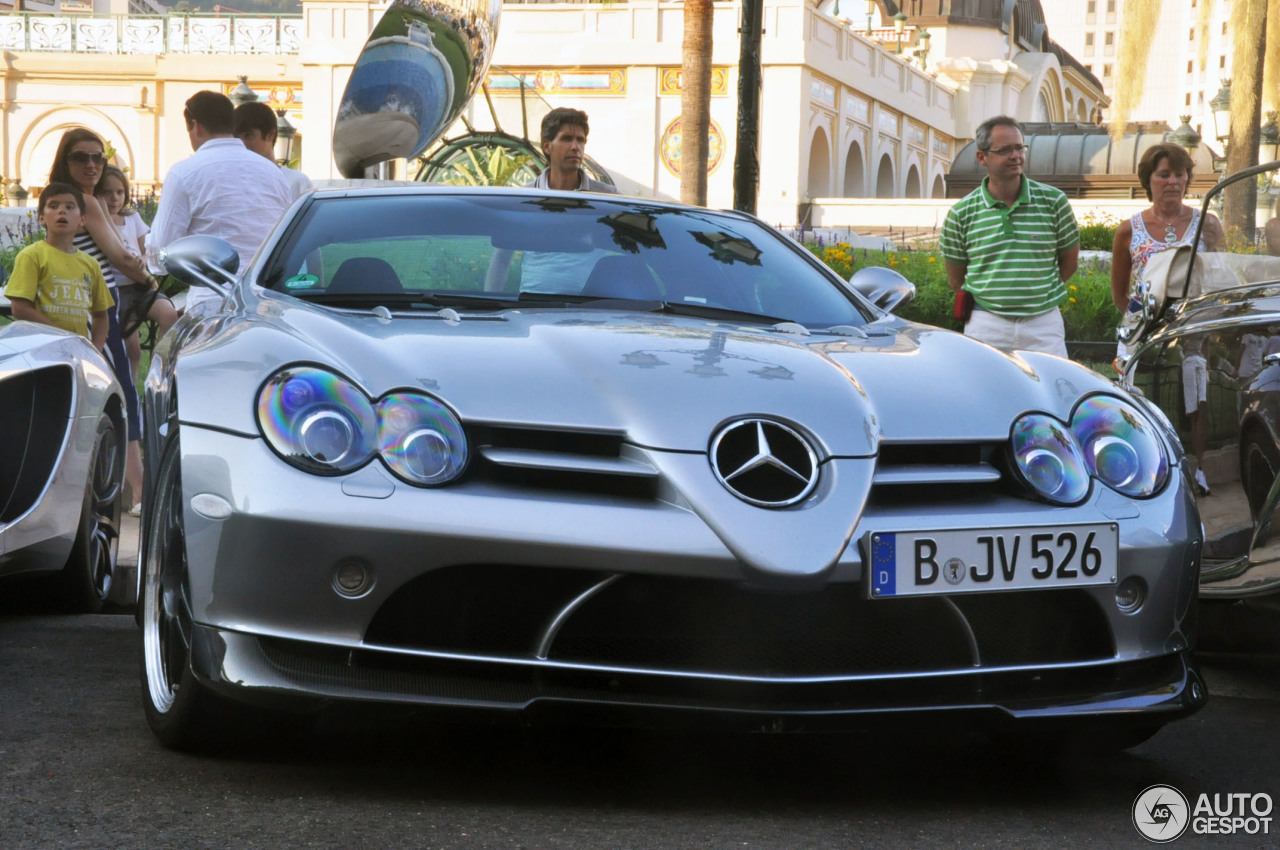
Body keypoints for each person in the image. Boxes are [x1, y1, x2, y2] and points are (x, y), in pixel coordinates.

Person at [49, 128, 158, 515]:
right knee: (123, 395)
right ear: (66, 160)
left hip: (63, 306)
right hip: (98, 305)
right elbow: (121, 257)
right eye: (82, 157)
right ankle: (141, 491)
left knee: (77, 398)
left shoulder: (61, 199)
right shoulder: (87, 203)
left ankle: (80, 492)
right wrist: (150, 281)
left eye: (98, 157)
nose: (92, 164)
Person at [940, 115, 1080, 358]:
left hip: (1043, 325)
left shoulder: (1054, 202)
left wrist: (1035, 295)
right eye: (1005, 150)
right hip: (986, 324)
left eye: (1019, 147)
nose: (1016, 156)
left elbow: (1069, 263)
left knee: (1052, 391)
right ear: (982, 157)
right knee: (985, 393)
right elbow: (956, 279)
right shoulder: (961, 213)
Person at [147, 90, 293, 312]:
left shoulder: (183, 172)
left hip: (214, 299)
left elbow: (163, 249)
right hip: (271, 298)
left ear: (196, 126)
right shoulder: (273, 172)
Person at [1109, 142, 1224, 312]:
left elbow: (1222, 279)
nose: (1173, 181)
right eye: (1164, 175)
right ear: (1148, 179)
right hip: (1147, 330)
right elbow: (1119, 295)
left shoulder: (1207, 223)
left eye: (1179, 174)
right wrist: (1140, 324)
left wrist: (1213, 245)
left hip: (1193, 323)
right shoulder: (1129, 230)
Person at [4, 182, 112, 350]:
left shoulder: (91, 264)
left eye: (70, 207)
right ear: (41, 217)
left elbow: (101, 315)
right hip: (40, 349)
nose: (62, 211)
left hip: (77, 350)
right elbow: (19, 308)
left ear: (82, 219)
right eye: (53, 206)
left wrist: (94, 350)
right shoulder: (32, 256)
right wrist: (60, 335)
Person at [95, 165, 178, 378]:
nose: (114, 198)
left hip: (139, 286)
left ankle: (159, 374)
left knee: (169, 314)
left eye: (120, 192)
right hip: (117, 290)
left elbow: (148, 249)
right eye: (108, 192)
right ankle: (130, 387)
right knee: (132, 347)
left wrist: (143, 258)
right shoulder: (99, 221)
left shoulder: (132, 217)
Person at [233, 100, 313, 200]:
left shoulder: (296, 182)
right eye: (236, 138)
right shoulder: (231, 182)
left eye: (248, 136)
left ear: (270, 135)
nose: (241, 143)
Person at [531, 107, 617, 194]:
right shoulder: (525, 197)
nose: (575, 147)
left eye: (580, 140)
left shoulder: (608, 196)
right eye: (567, 139)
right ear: (546, 147)